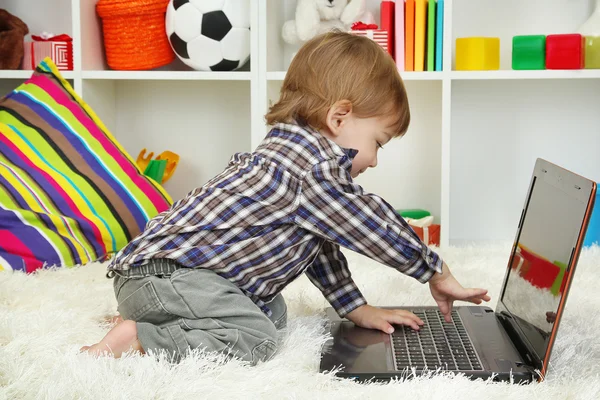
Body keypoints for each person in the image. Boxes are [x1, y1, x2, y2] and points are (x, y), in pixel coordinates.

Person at [80, 31, 490, 364]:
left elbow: (318, 247)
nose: (375, 161)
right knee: (257, 338)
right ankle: (141, 337)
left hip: (157, 277)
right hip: (171, 276)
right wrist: (434, 270)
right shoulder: (313, 170)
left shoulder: (288, 156)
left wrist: (354, 307)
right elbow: (371, 224)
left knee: (272, 309)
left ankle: (159, 313)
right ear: (339, 117)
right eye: (377, 143)